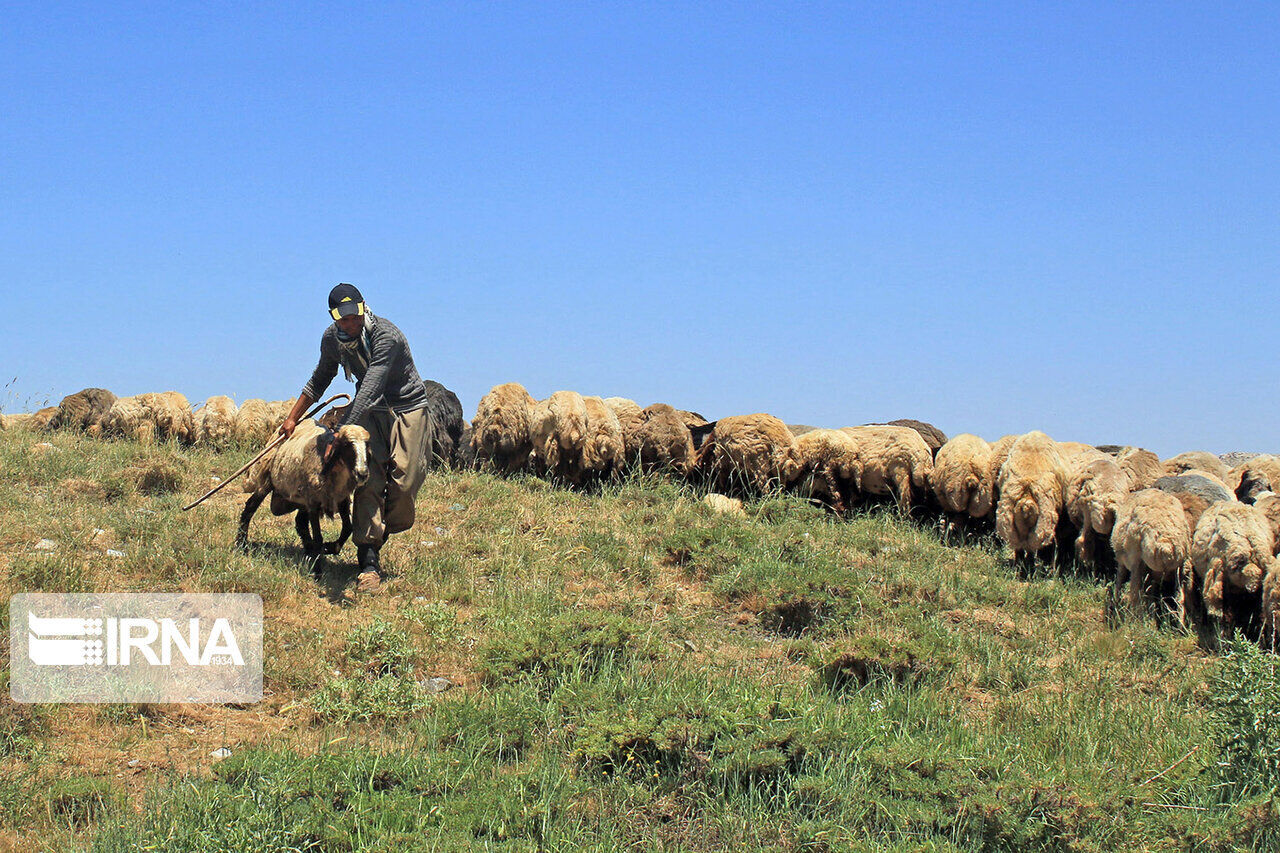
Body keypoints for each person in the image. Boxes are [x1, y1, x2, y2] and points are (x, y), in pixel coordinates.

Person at [282, 283, 433, 586]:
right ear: (334, 317)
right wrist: (292, 418)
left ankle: (383, 529)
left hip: (407, 406)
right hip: (371, 413)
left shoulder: (386, 336)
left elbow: (372, 385)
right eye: (343, 319)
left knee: (405, 480)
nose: (351, 324)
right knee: (366, 477)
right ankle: (368, 560)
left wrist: (340, 431)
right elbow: (321, 377)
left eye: (355, 317)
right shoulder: (332, 340)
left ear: (364, 309)